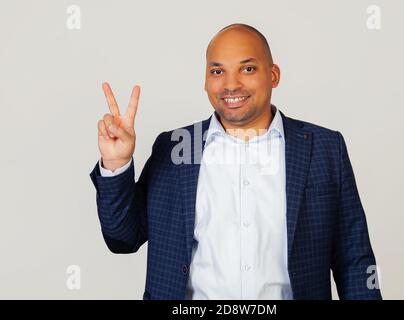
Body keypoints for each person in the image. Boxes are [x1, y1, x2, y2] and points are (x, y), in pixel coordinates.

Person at [89, 23, 382, 300]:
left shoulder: (324, 148)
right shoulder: (175, 148)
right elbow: (123, 239)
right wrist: (116, 163)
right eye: (217, 71)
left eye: (248, 68)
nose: (231, 84)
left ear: (274, 75)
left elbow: (354, 261)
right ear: (205, 80)